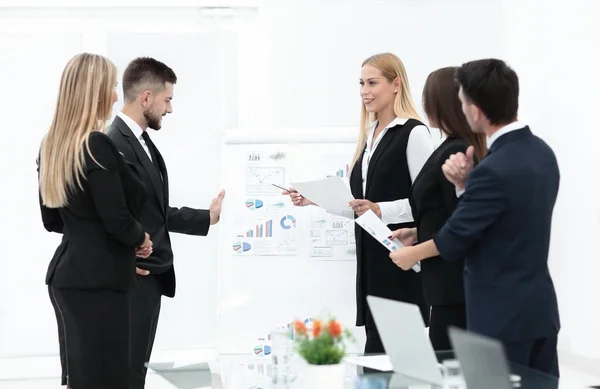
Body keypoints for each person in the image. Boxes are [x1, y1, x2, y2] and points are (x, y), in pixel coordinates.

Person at [390, 59, 561, 376]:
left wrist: (413, 251)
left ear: (476, 110)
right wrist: (465, 187)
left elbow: (456, 236)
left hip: (501, 319)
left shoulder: (493, 169)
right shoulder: (542, 153)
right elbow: (506, 219)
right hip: (540, 312)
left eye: (463, 101)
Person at [285, 52, 433, 354]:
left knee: (403, 364)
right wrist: (316, 200)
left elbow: (428, 202)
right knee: (377, 362)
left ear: (396, 84)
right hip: (371, 268)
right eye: (361, 83)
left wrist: (382, 209)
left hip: (401, 264)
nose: (364, 91)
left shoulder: (413, 133)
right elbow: (361, 209)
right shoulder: (368, 139)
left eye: (372, 82)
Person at [106, 57, 225, 389]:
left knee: (134, 373)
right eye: (167, 99)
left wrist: (207, 217)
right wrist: (121, 261)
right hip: (132, 277)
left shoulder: (140, 142)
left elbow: (151, 210)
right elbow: (106, 216)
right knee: (124, 375)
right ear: (146, 98)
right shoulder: (113, 144)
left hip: (149, 278)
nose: (169, 109)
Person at [38, 52, 153, 389]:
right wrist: (140, 239)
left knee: (83, 378)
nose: (117, 95)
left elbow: (52, 220)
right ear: (96, 91)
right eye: (112, 87)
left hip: (66, 278)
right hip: (98, 283)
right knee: (108, 379)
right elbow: (117, 220)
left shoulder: (52, 146)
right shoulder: (96, 145)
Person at [389, 67, 487, 351]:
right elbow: (449, 214)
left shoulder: (456, 153)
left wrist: (415, 253)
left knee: (450, 371)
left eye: (426, 97)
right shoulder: (450, 146)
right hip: (447, 287)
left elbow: (462, 227)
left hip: (455, 287)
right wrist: (416, 232)